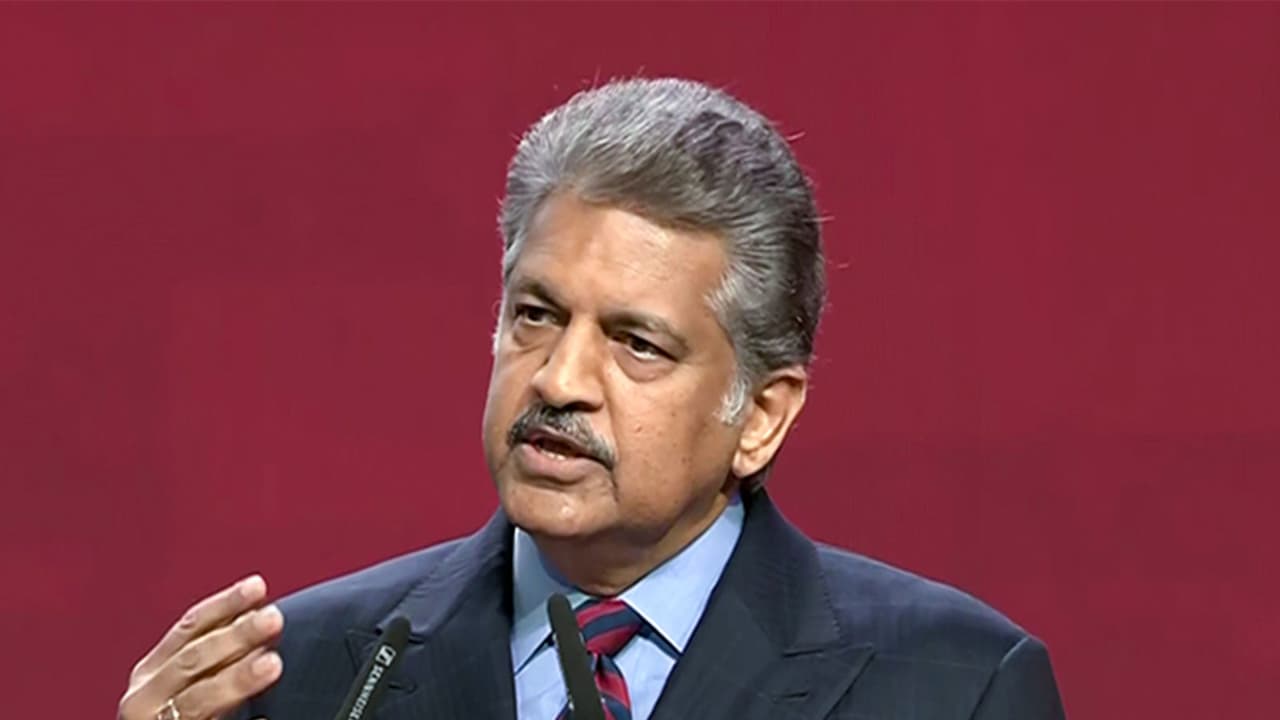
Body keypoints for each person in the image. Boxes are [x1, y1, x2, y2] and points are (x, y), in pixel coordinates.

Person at [117, 78, 1066, 720]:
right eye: (535, 315)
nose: (559, 380)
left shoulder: (954, 688)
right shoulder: (304, 678)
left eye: (636, 343)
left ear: (762, 415)